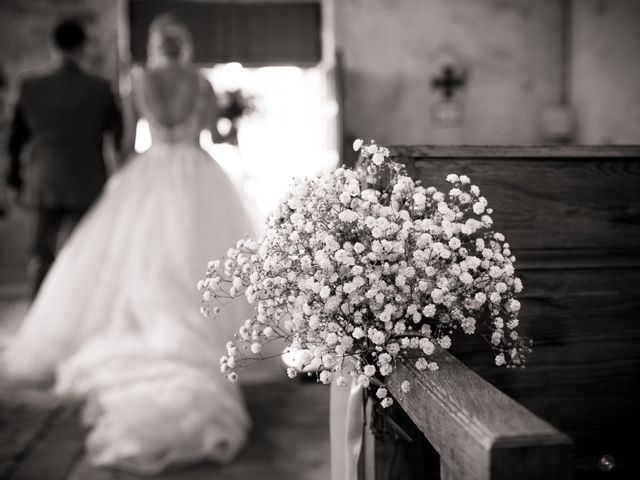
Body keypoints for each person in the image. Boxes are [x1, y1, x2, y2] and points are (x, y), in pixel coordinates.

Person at [2, 14, 256, 474]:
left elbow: (124, 140)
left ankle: (138, 320)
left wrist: (121, 176)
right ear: (186, 46)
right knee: (202, 258)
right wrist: (231, 119)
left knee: (133, 259)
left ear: (157, 46)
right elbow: (217, 132)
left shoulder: (138, 81)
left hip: (149, 169)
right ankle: (207, 329)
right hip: (197, 172)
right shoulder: (200, 82)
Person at [4, 19, 123, 299]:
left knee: (41, 254)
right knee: (86, 254)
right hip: (88, 180)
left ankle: (39, 316)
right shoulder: (101, 88)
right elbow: (118, 137)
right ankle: (79, 313)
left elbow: (15, 139)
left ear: (53, 46)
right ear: (82, 48)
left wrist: (13, 179)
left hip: (44, 179)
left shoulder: (29, 86)